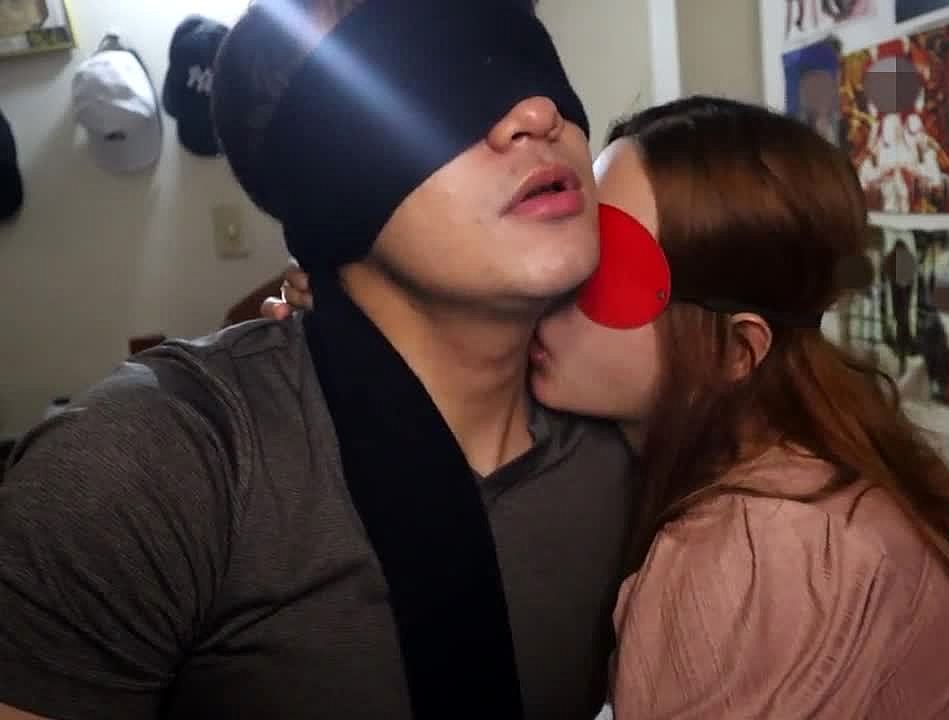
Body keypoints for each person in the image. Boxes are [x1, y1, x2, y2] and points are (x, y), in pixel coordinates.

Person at [270, 96, 949, 719]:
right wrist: (378, 312)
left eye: (604, 271)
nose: (552, 282)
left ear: (734, 351)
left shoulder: (760, 549)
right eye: (563, 230)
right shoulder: (798, 463)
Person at [0, 1, 631, 719]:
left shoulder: (635, 420)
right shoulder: (155, 469)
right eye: (437, 79)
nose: (540, 114)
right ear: (326, 172)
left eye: (528, 60)